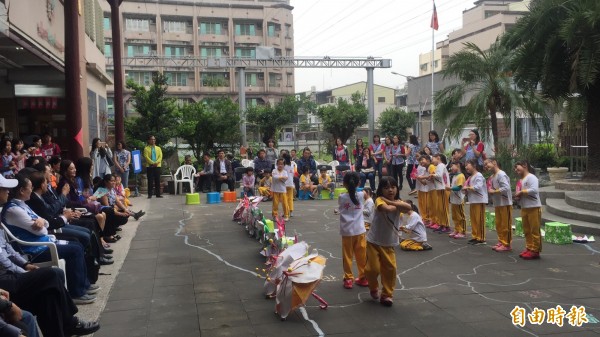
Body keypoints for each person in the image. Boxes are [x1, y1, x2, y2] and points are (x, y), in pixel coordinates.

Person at [1, 175, 96, 304]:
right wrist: (43, 223)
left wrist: (42, 222)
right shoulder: (13, 210)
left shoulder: (22, 205)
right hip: (34, 250)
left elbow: (44, 222)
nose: (32, 190)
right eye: (30, 187)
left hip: (43, 242)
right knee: (75, 250)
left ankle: (84, 285)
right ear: (22, 190)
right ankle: (76, 292)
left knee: (77, 245)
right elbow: (43, 229)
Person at [365, 176, 411, 307]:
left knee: (390, 269)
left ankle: (386, 295)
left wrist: (396, 203)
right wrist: (395, 204)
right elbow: (387, 209)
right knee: (372, 269)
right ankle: (373, 287)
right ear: (381, 190)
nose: (390, 190)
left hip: (389, 243)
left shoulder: (398, 201)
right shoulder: (379, 200)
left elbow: (408, 207)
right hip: (374, 241)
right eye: (386, 188)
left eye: (393, 187)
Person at [337, 172, 367, 289]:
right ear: (358, 183)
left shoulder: (342, 197)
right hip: (360, 230)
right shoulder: (361, 194)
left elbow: (340, 208)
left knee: (347, 255)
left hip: (347, 231)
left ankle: (349, 278)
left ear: (344, 184)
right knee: (361, 255)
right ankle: (363, 277)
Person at [514, 160, 542, 260]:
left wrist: (521, 192)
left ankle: (535, 250)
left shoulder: (531, 177)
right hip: (524, 207)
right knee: (527, 230)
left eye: (517, 167)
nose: (516, 169)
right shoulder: (521, 180)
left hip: (533, 207)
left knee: (534, 230)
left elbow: (534, 190)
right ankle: (529, 247)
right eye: (515, 168)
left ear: (525, 166)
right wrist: (518, 197)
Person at [485, 158, 513, 252]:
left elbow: (506, 187)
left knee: (505, 224)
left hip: (505, 203)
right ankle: (501, 241)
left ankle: (506, 244)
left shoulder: (501, 174)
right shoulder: (493, 176)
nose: (486, 166)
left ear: (494, 163)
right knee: (499, 224)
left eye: (487, 164)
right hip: (498, 203)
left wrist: (494, 191)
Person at [462, 158, 488, 245]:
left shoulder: (479, 175)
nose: (466, 167)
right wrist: (465, 189)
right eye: (465, 165)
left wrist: (468, 188)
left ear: (474, 165)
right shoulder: (470, 177)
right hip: (473, 200)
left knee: (479, 219)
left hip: (479, 200)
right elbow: (466, 187)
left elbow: (478, 187)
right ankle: (475, 236)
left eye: (467, 165)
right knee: (473, 219)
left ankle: (481, 238)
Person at [429, 154, 451, 233]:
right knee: (440, 208)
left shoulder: (441, 165)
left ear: (438, 158)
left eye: (433, 159)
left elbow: (439, 175)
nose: (432, 161)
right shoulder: (439, 166)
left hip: (443, 188)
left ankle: (446, 225)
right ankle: (442, 224)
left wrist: (431, 175)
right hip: (440, 188)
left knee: (443, 208)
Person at [447, 162, 467, 239]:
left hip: (459, 199)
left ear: (458, 165)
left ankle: (462, 231)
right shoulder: (455, 176)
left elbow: (459, 187)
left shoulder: (460, 176)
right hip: (453, 199)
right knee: (455, 216)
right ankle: (457, 229)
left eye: (453, 166)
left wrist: (450, 188)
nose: (451, 168)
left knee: (460, 216)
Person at [416, 155, 431, 226]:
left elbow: (425, 181)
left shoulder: (428, 168)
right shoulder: (421, 167)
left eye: (422, 160)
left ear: (428, 160)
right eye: (420, 160)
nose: (421, 161)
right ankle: (424, 217)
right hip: (420, 188)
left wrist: (419, 178)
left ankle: (427, 218)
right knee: (421, 204)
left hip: (425, 189)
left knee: (426, 205)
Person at [282, 152, 295, 217]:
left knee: (285, 199)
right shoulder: (292, 165)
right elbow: (293, 174)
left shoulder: (283, 166)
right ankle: (291, 211)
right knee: (290, 198)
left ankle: (285, 211)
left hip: (284, 184)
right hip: (291, 183)